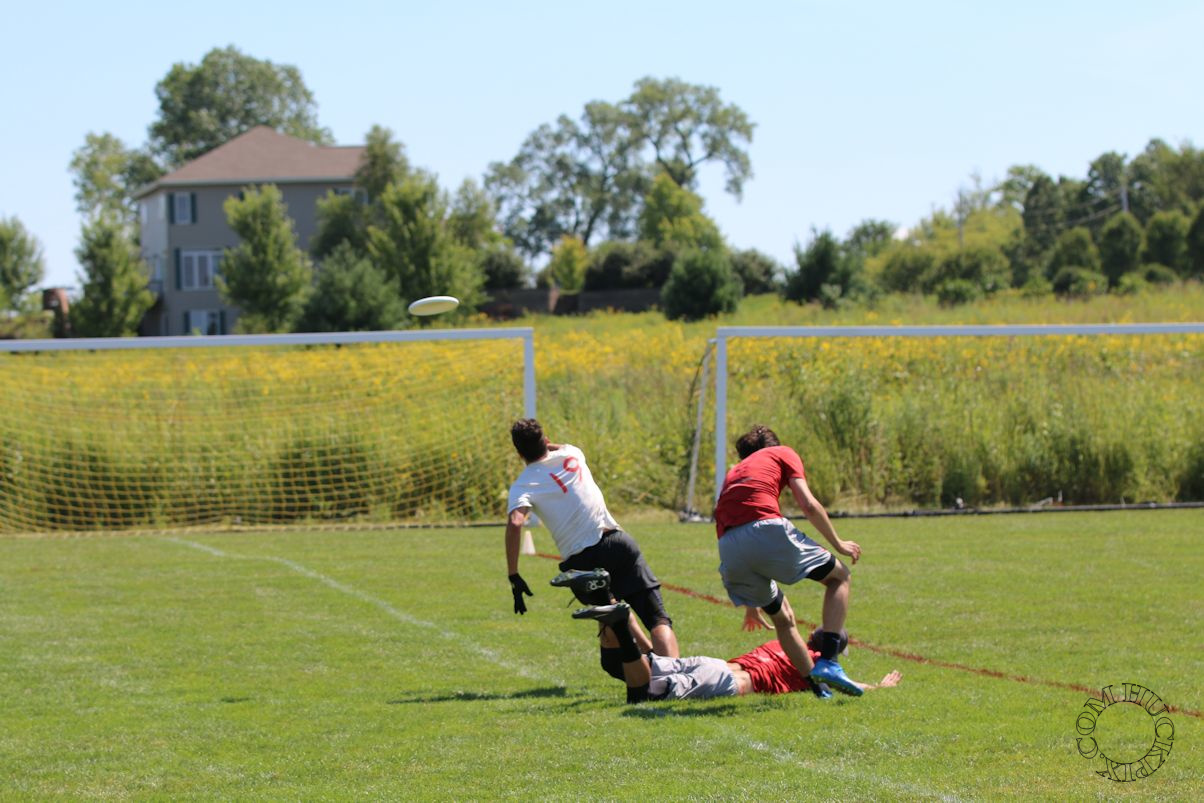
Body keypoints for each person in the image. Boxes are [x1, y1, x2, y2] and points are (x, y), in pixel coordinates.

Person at [505, 418, 679, 658]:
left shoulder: (523, 484)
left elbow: (516, 523)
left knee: (613, 610)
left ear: (518, 454)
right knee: (657, 619)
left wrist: (513, 574)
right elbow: (557, 446)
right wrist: (543, 443)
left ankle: (649, 654)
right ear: (545, 440)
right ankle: (670, 670)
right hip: (617, 542)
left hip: (583, 562)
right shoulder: (572, 453)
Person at [712, 425, 863, 695]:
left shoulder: (734, 472)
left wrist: (750, 603)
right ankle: (829, 661)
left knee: (783, 619)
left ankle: (819, 690)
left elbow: (734, 523)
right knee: (839, 577)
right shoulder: (781, 452)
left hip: (727, 546)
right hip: (764, 528)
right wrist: (839, 544)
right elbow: (809, 505)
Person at [573, 602, 900, 702]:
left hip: (713, 664)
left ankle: (620, 612)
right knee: (642, 694)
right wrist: (878, 687)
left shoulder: (787, 641)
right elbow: (847, 685)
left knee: (638, 668)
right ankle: (621, 624)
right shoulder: (813, 668)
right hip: (725, 681)